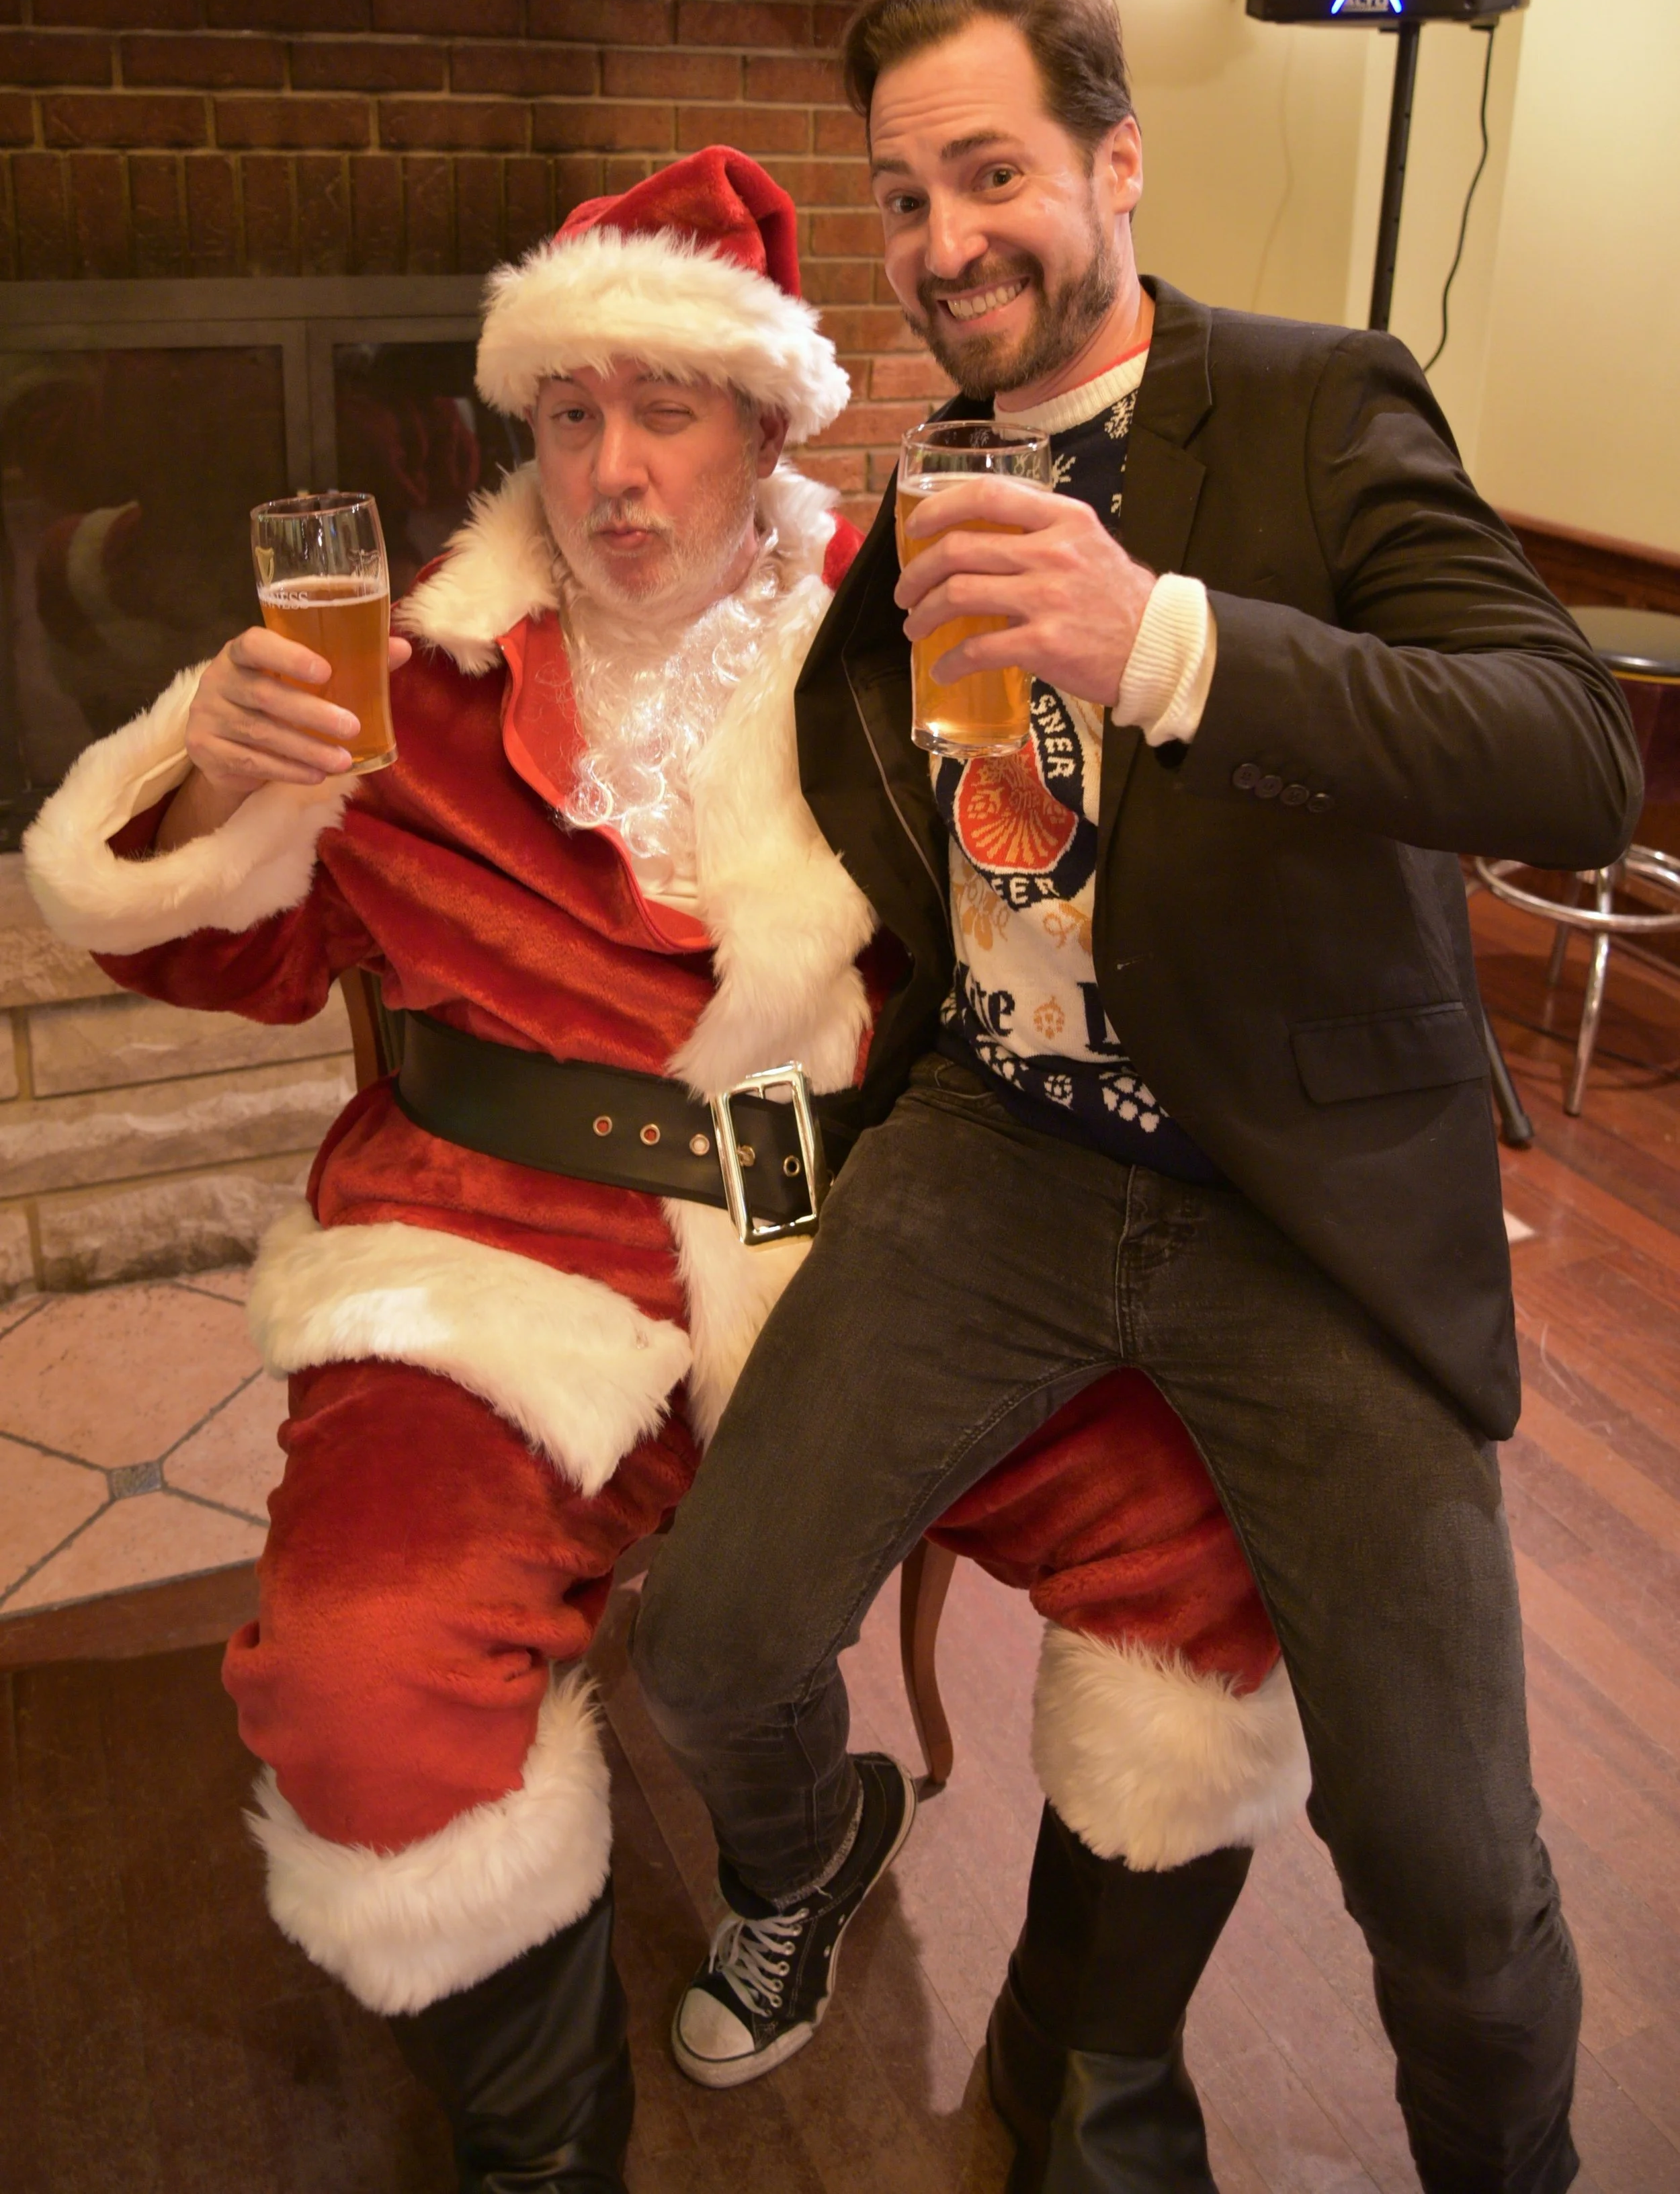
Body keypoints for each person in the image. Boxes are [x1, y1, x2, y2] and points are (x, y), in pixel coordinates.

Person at [24, 145, 1300, 2194]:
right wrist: (215, 780)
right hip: (494, 1271)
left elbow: (1074, 939)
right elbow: (219, 948)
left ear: (772, 419)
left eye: (667, 406)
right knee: (364, 1672)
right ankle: (544, 2155)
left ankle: (1087, 2094)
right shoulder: (408, 680)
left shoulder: (911, 637)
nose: (610, 467)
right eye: (565, 409)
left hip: (875, 1260)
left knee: (1213, 1548)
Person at [630, 0, 1644, 2193]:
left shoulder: (1302, 407)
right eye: (899, 195)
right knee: (699, 1643)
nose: (942, 235)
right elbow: (889, 806)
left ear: (1112, 163)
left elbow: (1572, 750)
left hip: (1286, 1190)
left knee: (1453, 1879)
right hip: (996, 1150)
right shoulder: (924, 491)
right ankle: (820, 1851)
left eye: (988, 170)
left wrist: (1160, 640)